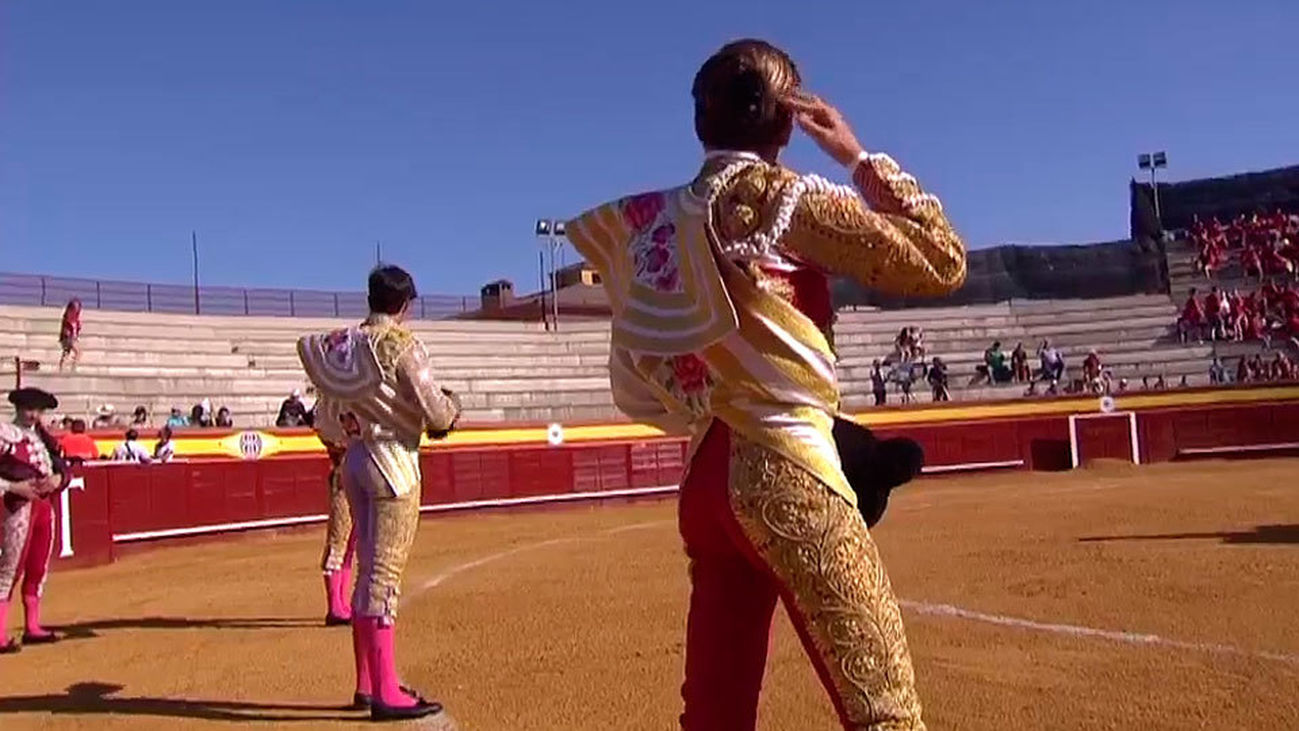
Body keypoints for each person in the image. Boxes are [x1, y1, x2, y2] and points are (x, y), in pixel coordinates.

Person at [565, 40, 965, 730]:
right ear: (787, 121)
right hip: (786, 468)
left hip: (705, 479)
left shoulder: (654, 219)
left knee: (715, 716)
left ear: (701, 123)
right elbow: (940, 261)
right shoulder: (783, 199)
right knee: (884, 710)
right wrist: (856, 157)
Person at [298, 265, 462, 721]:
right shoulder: (401, 346)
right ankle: (387, 689)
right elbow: (434, 410)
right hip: (393, 464)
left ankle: (367, 683)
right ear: (406, 304)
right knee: (383, 573)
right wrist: (451, 413)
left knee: (367, 569)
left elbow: (325, 417)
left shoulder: (342, 347)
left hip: (354, 459)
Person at [0, 387, 71, 651]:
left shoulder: (42, 437)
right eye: (29, 409)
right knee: (10, 568)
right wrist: (12, 487)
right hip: (18, 507)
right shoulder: (5, 434)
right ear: (18, 409)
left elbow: (62, 467)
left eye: (38, 410)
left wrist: (57, 479)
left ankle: (32, 626)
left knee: (38, 566)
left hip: (42, 506)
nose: (33, 415)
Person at [57, 299, 82, 372]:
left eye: (78, 308)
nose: (77, 310)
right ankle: (73, 368)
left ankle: (62, 369)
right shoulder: (67, 319)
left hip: (71, 338)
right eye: (75, 308)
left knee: (66, 354)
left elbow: (76, 329)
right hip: (68, 338)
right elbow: (66, 330)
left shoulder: (76, 320)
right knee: (78, 352)